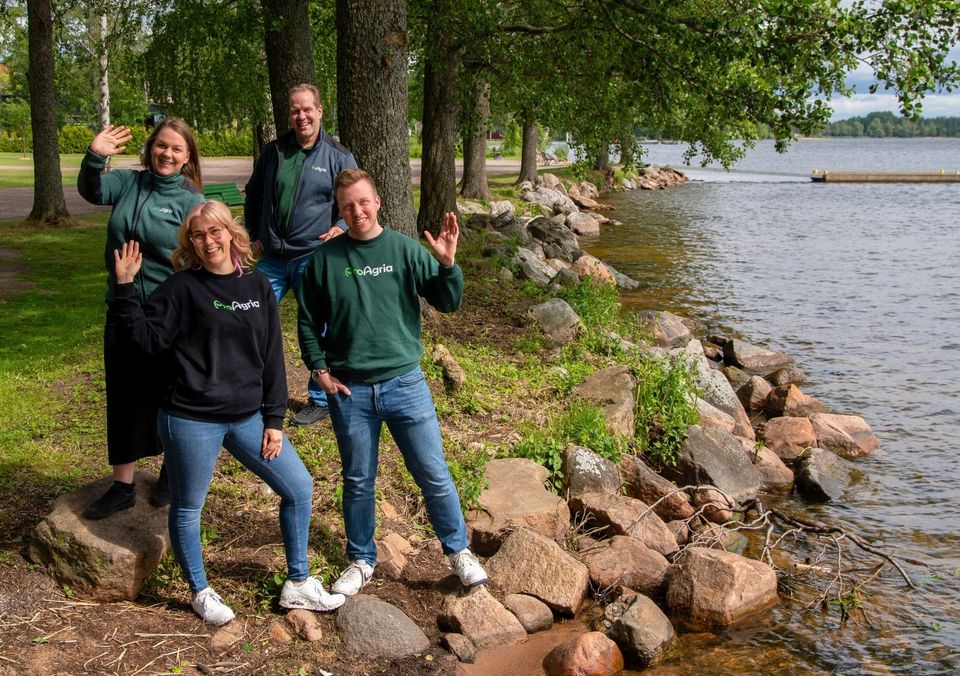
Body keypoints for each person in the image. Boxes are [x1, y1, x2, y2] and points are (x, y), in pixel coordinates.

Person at [111, 200, 345, 625]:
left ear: (230, 233)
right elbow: (144, 341)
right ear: (191, 244)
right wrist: (126, 288)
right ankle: (200, 591)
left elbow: (272, 357)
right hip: (191, 419)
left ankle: (297, 582)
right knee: (188, 508)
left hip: (247, 418)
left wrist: (274, 420)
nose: (207, 241)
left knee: (298, 487)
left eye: (214, 231)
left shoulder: (256, 286)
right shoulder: (182, 288)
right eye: (198, 235)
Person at [297, 168, 488, 595]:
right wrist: (318, 368)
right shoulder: (325, 261)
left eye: (364, 202)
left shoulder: (404, 251)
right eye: (347, 206)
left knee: (433, 473)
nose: (357, 211)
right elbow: (308, 322)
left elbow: (448, 301)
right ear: (340, 211)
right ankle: (362, 560)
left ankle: (458, 551)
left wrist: (447, 264)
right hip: (351, 391)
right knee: (358, 479)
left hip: (405, 385)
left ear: (378, 201)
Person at [78, 118, 205, 520]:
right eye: (161, 146)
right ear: (151, 147)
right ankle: (122, 485)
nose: (167, 154)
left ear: (187, 158)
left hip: (169, 312)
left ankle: (171, 473)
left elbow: (202, 252)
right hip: (123, 302)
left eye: (176, 149)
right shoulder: (128, 184)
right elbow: (93, 190)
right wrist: (95, 155)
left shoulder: (189, 199)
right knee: (124, 393)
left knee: (171, 393)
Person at [244, 83, 358, 427]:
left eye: (307, 109)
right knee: (249, 318)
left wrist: (340, 225)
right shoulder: (274, 152)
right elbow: (253, 195)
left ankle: (319, 398)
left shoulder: (338, 155)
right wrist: (254, 233)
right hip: (273, 260)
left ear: (320, 112)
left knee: (318, 325)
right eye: (295, 110)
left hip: (313, 256)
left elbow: (354, 198)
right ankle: (252, 394)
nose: (301, 116)